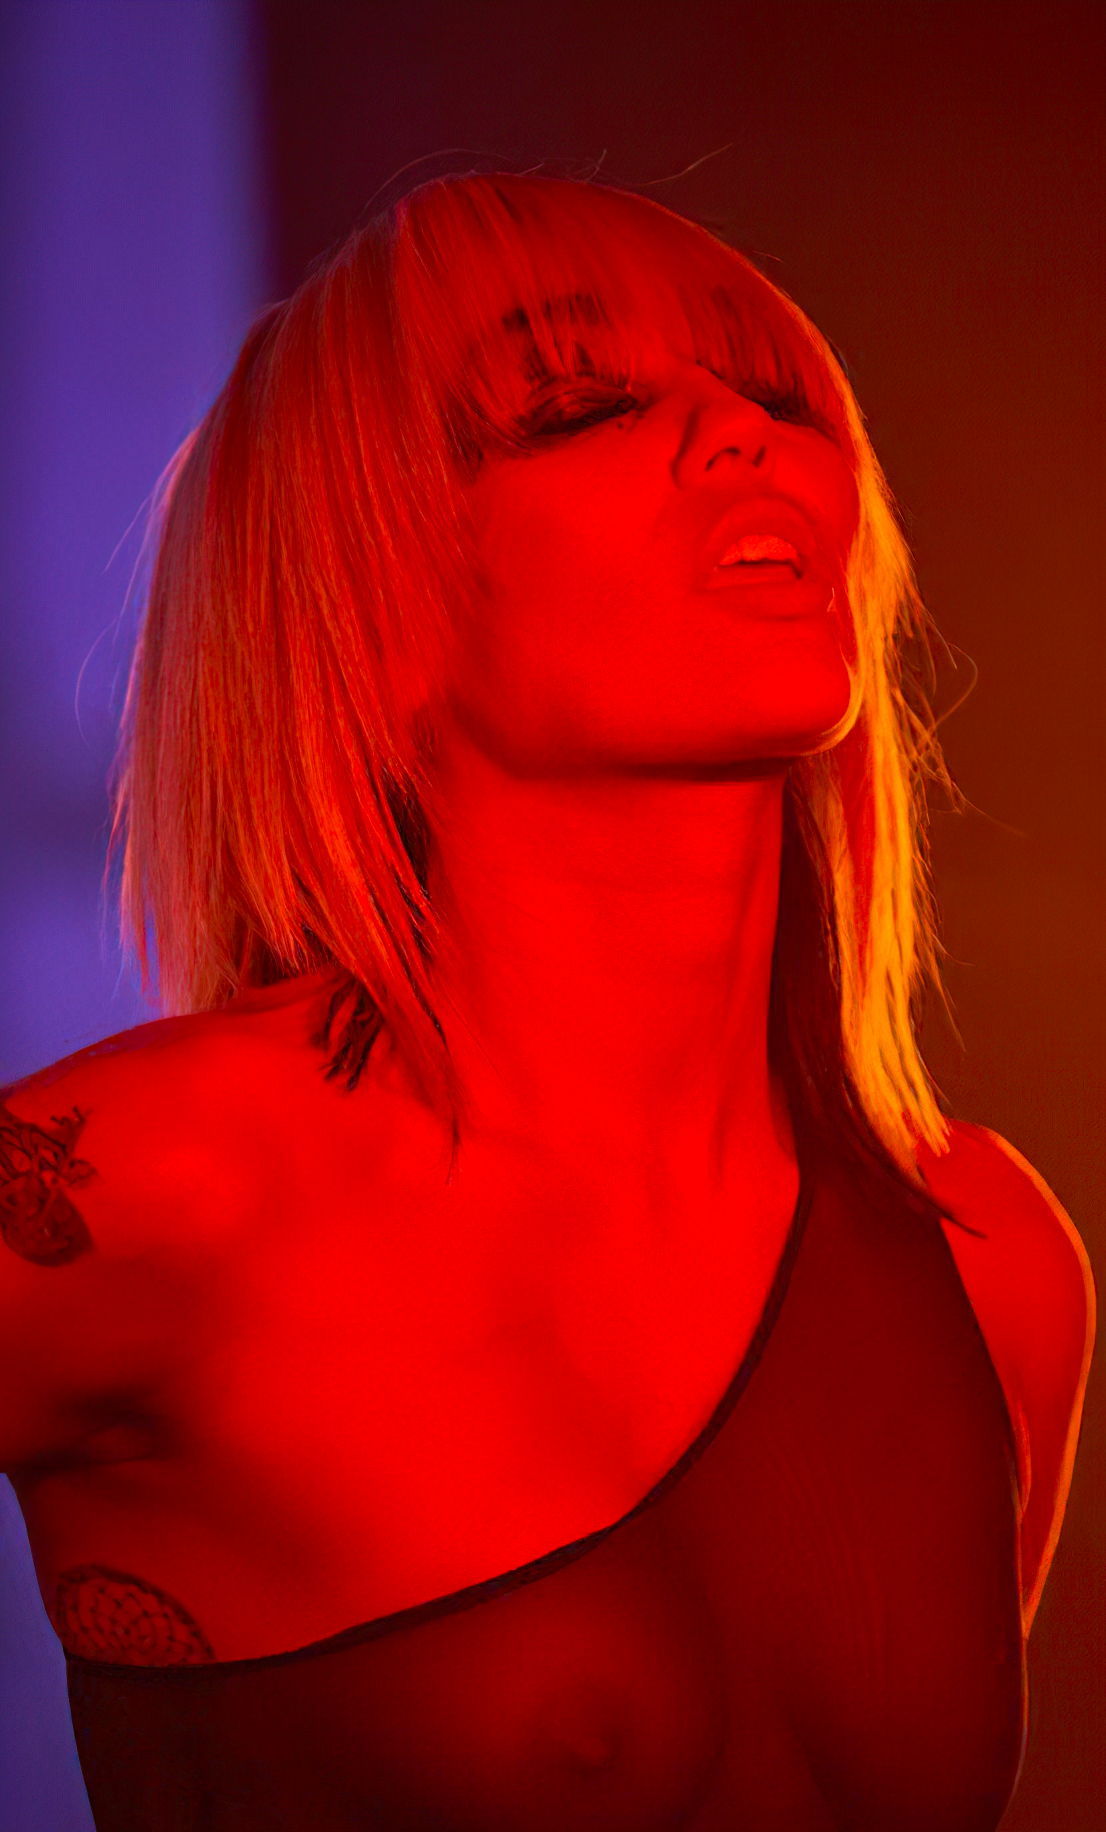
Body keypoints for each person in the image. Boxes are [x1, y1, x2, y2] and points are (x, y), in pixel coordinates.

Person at [0, 168, 1094, 1831]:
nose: (739, 435)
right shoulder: (153, 1189)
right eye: (577, 404)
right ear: (364, 600)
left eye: (780, 395)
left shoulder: (991, 1256)